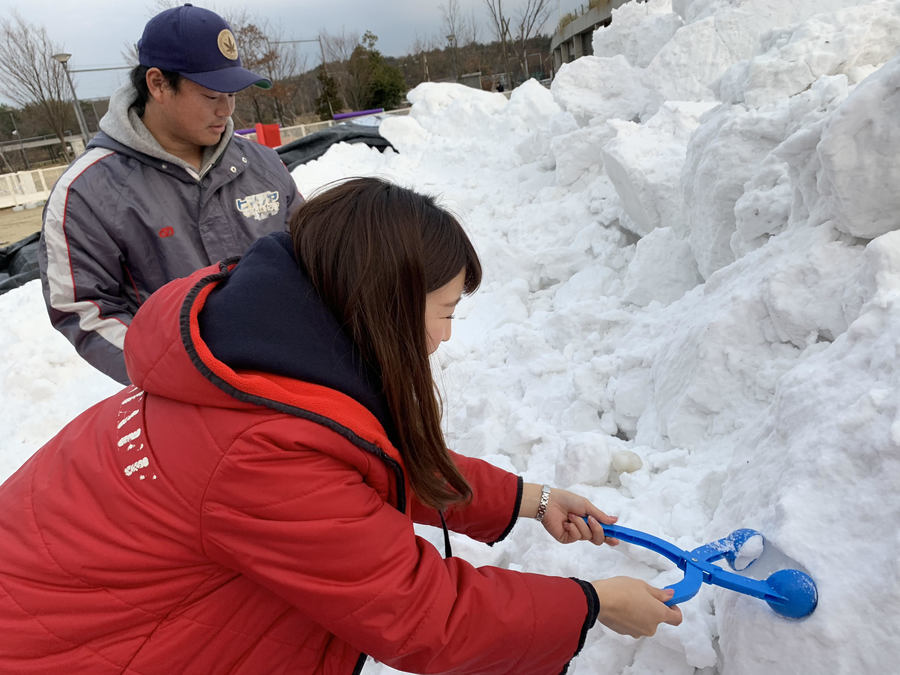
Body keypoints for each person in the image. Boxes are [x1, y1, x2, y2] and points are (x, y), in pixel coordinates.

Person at [0, 177, 682, 674]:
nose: (446, 336)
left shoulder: (257, 354)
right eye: (445, 311)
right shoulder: (258, 450)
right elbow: (423, 616)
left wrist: (528, 499)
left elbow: (363, 461)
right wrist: (594, 604)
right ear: (387, 304)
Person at [38, 3, 301, 384]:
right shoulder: (88, 191)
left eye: (232, 94)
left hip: (292, 375)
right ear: (158, 84)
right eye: (212, 96)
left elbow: (310, 255)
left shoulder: (263, 163)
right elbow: (84, 308)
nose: (226, 110)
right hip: (185, 393)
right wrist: (176, 374)